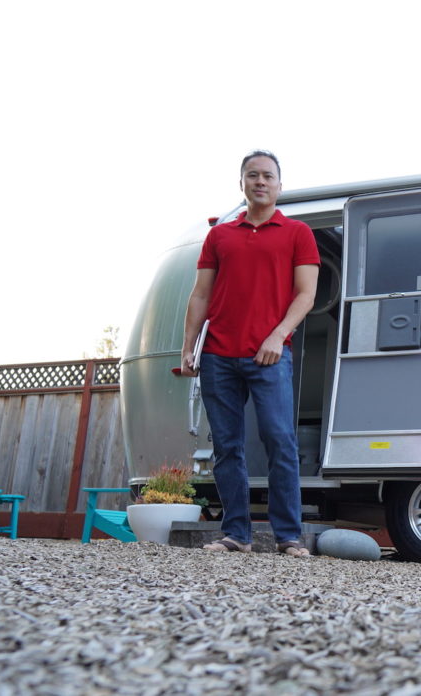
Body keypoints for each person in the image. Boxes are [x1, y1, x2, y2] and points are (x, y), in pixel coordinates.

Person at [180, 150, 320, 557]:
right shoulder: (220, 236)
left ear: (279, 185)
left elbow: (306, 295)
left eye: (268, 176)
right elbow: (200, 294)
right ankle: (236, 535)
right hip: (218, 356)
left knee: (280, 441)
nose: (260, 182)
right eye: (252, 175)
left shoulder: (297, 233)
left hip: (270, 356)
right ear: (241, 183)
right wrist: (189, 347)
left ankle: (288, 536)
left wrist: (278, 336)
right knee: (227, 446)